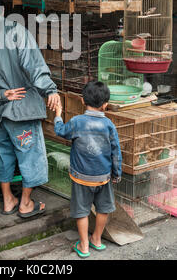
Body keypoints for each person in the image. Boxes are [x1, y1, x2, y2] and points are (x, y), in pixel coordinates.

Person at [0, 0, 60, 218]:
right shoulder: (16, 31)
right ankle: (25, 203)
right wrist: (50, 89)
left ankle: (8, 200)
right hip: (23, 110)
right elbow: (34, 66)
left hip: (0, 112)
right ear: (3, 11)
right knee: (31, 158)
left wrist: (0, 94)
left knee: (3, 156)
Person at [54, 81, 122, 258]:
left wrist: (58, 115)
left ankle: (83, 245)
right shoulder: (109, 125)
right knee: (103, 208)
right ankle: (97, 239)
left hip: (81, 178)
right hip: (103, 177)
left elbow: (60, 131)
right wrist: (117, 174)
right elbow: (116, 153)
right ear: (105, 104)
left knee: (82, 210)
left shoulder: (77, 122)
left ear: (83, 101)